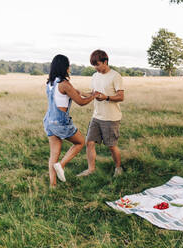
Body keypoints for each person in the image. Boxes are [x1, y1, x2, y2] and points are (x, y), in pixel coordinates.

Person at [43, 54, 99, 187]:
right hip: (60, 122)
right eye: (68, 65)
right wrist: (94, 97)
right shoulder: (65, 84)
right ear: (65, 67)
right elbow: (81, 102)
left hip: (49, 122)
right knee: (80, 142)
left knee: (53, 154)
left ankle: (53, 186)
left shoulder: (51, 83)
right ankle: (61, 166)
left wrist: (89, 94)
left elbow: (76, 92)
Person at [77, 50, 125, 177]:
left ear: (105, 62)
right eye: (94, 65)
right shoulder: (94, 76)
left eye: (97, 64)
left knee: (111, 146)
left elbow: (121, 96)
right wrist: (81, 93)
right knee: (89, 143)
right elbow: (94, 94)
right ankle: (91, 169)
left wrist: (107, 97)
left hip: (111, 118)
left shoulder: (116, 76)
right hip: (96, 116)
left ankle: (118, 168)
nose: (96, 68)